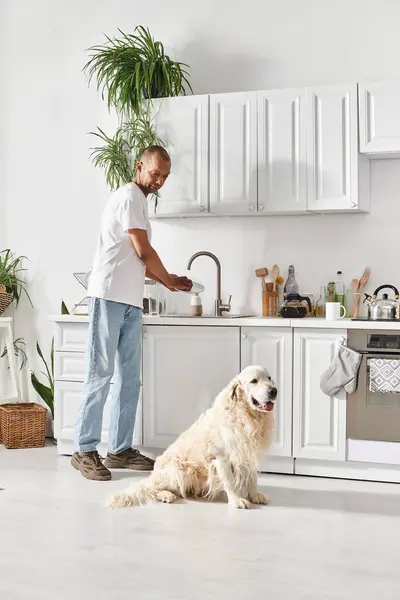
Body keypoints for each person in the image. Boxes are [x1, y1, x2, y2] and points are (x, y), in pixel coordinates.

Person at [71, 146, 192, 481]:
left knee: (129, 378)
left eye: (165, 177)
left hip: (130, 300)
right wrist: (168, 280)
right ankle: (83, 449)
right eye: (156, 174)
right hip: (108, 295)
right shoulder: (128, 196)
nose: (160, 182)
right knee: (100, 373)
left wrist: (169, 282)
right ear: (140, 167)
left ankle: (120, 449)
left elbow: (137, 260)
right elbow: (143, 250)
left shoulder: (139, 202)